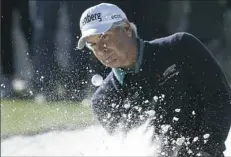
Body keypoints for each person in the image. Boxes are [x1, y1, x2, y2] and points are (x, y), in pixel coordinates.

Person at [77, 3, 231, 157]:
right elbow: (130, 147)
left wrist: (207, 150)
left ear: (126, 29)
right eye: (93, 44)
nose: (101, 49)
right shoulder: (103, 100)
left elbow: (219, 97)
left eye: (104, 36)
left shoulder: (180, 47)